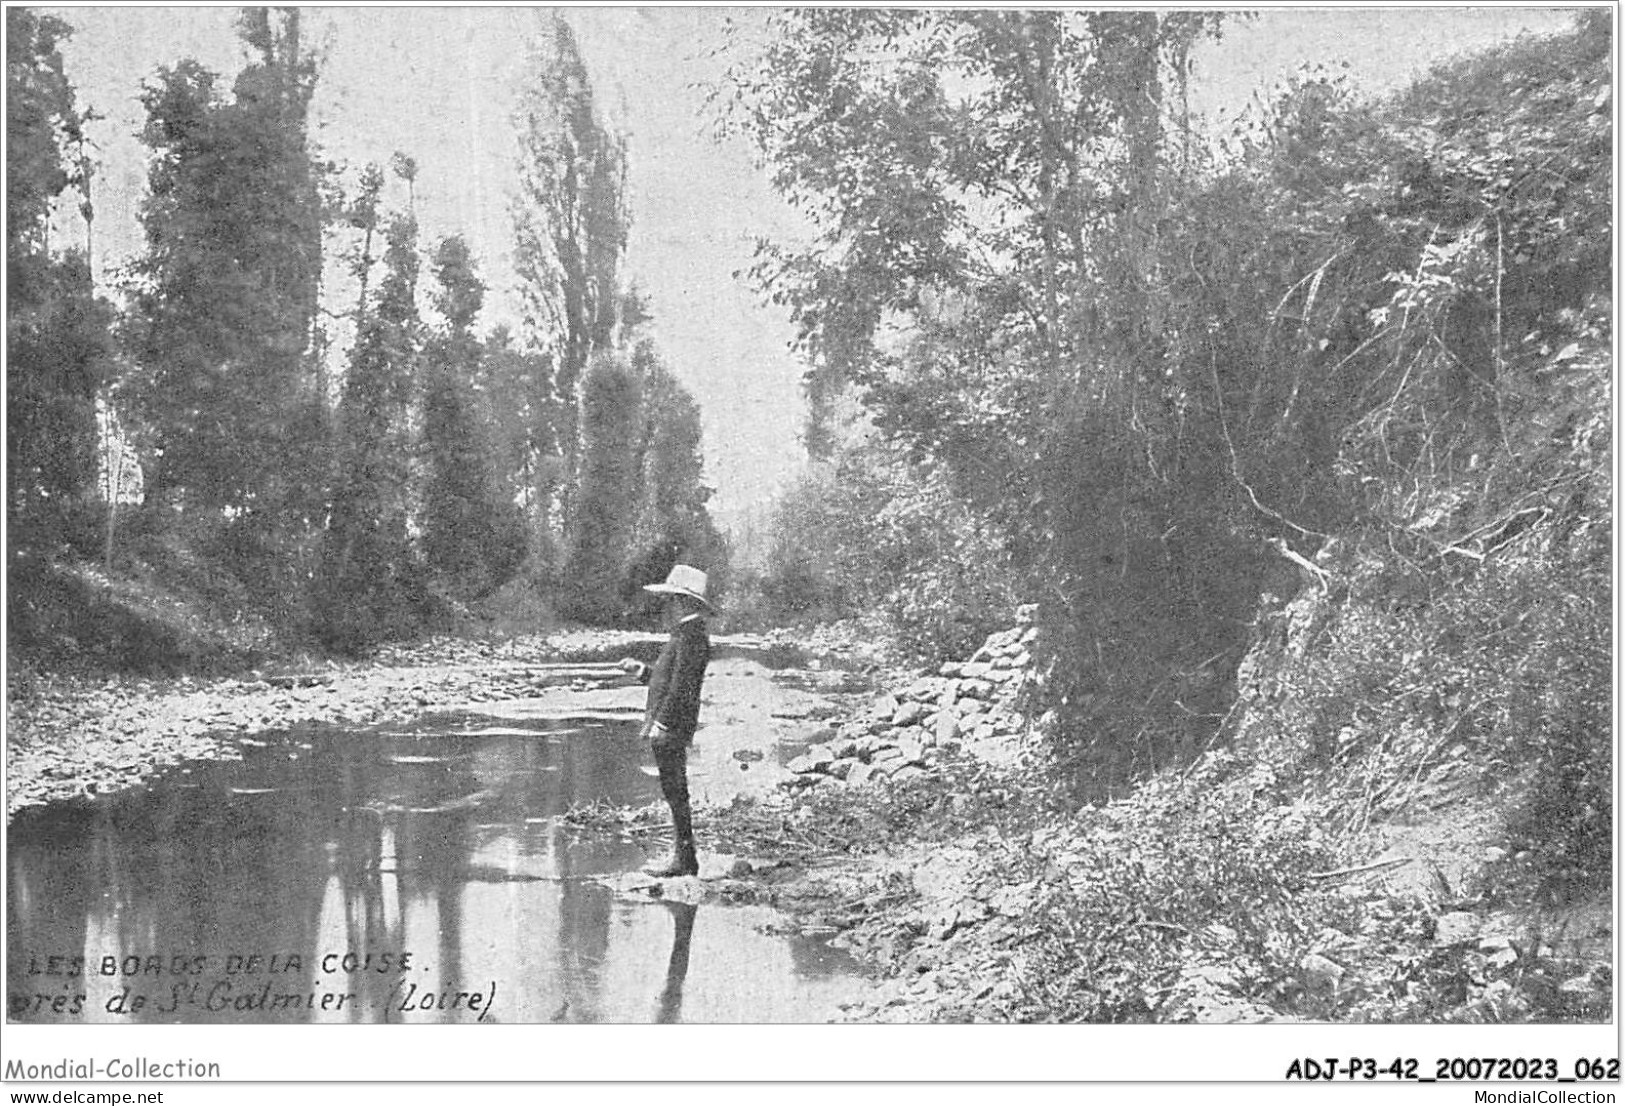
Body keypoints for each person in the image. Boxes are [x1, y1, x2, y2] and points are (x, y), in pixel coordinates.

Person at [618, 564, 712, 877]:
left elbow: (682, 688)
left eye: (671, 600)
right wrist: (641, 671)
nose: (667, 607)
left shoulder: (691, 636)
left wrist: (663, 724)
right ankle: (683, 858)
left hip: (673, 726)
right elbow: (665, 682)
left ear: (683, 602)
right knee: (674, 791)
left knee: (675, 792)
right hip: (672, 724)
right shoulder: (686, 634)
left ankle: (685, 860)